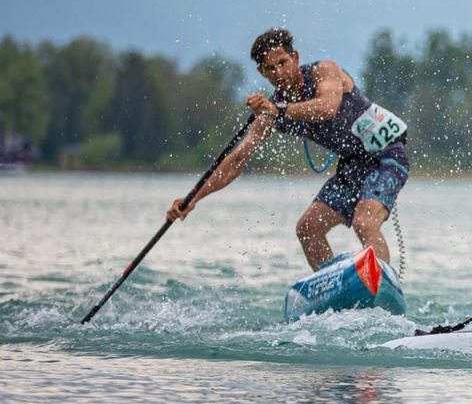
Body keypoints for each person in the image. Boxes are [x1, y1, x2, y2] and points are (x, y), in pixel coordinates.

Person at [166, 29, 410, 270]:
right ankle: (334, 289)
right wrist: (193, 198)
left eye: (283, 63)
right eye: (270, 69)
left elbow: (328, 107)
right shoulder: (271, 110)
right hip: (353, 166)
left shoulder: (323, 71)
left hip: (387, 155)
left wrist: (279, 111)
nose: (279, 72)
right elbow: (239, 159)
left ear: (295, 58)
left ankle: (378, 284)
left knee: (364, 222)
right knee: (308, 229)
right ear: (262, 72)